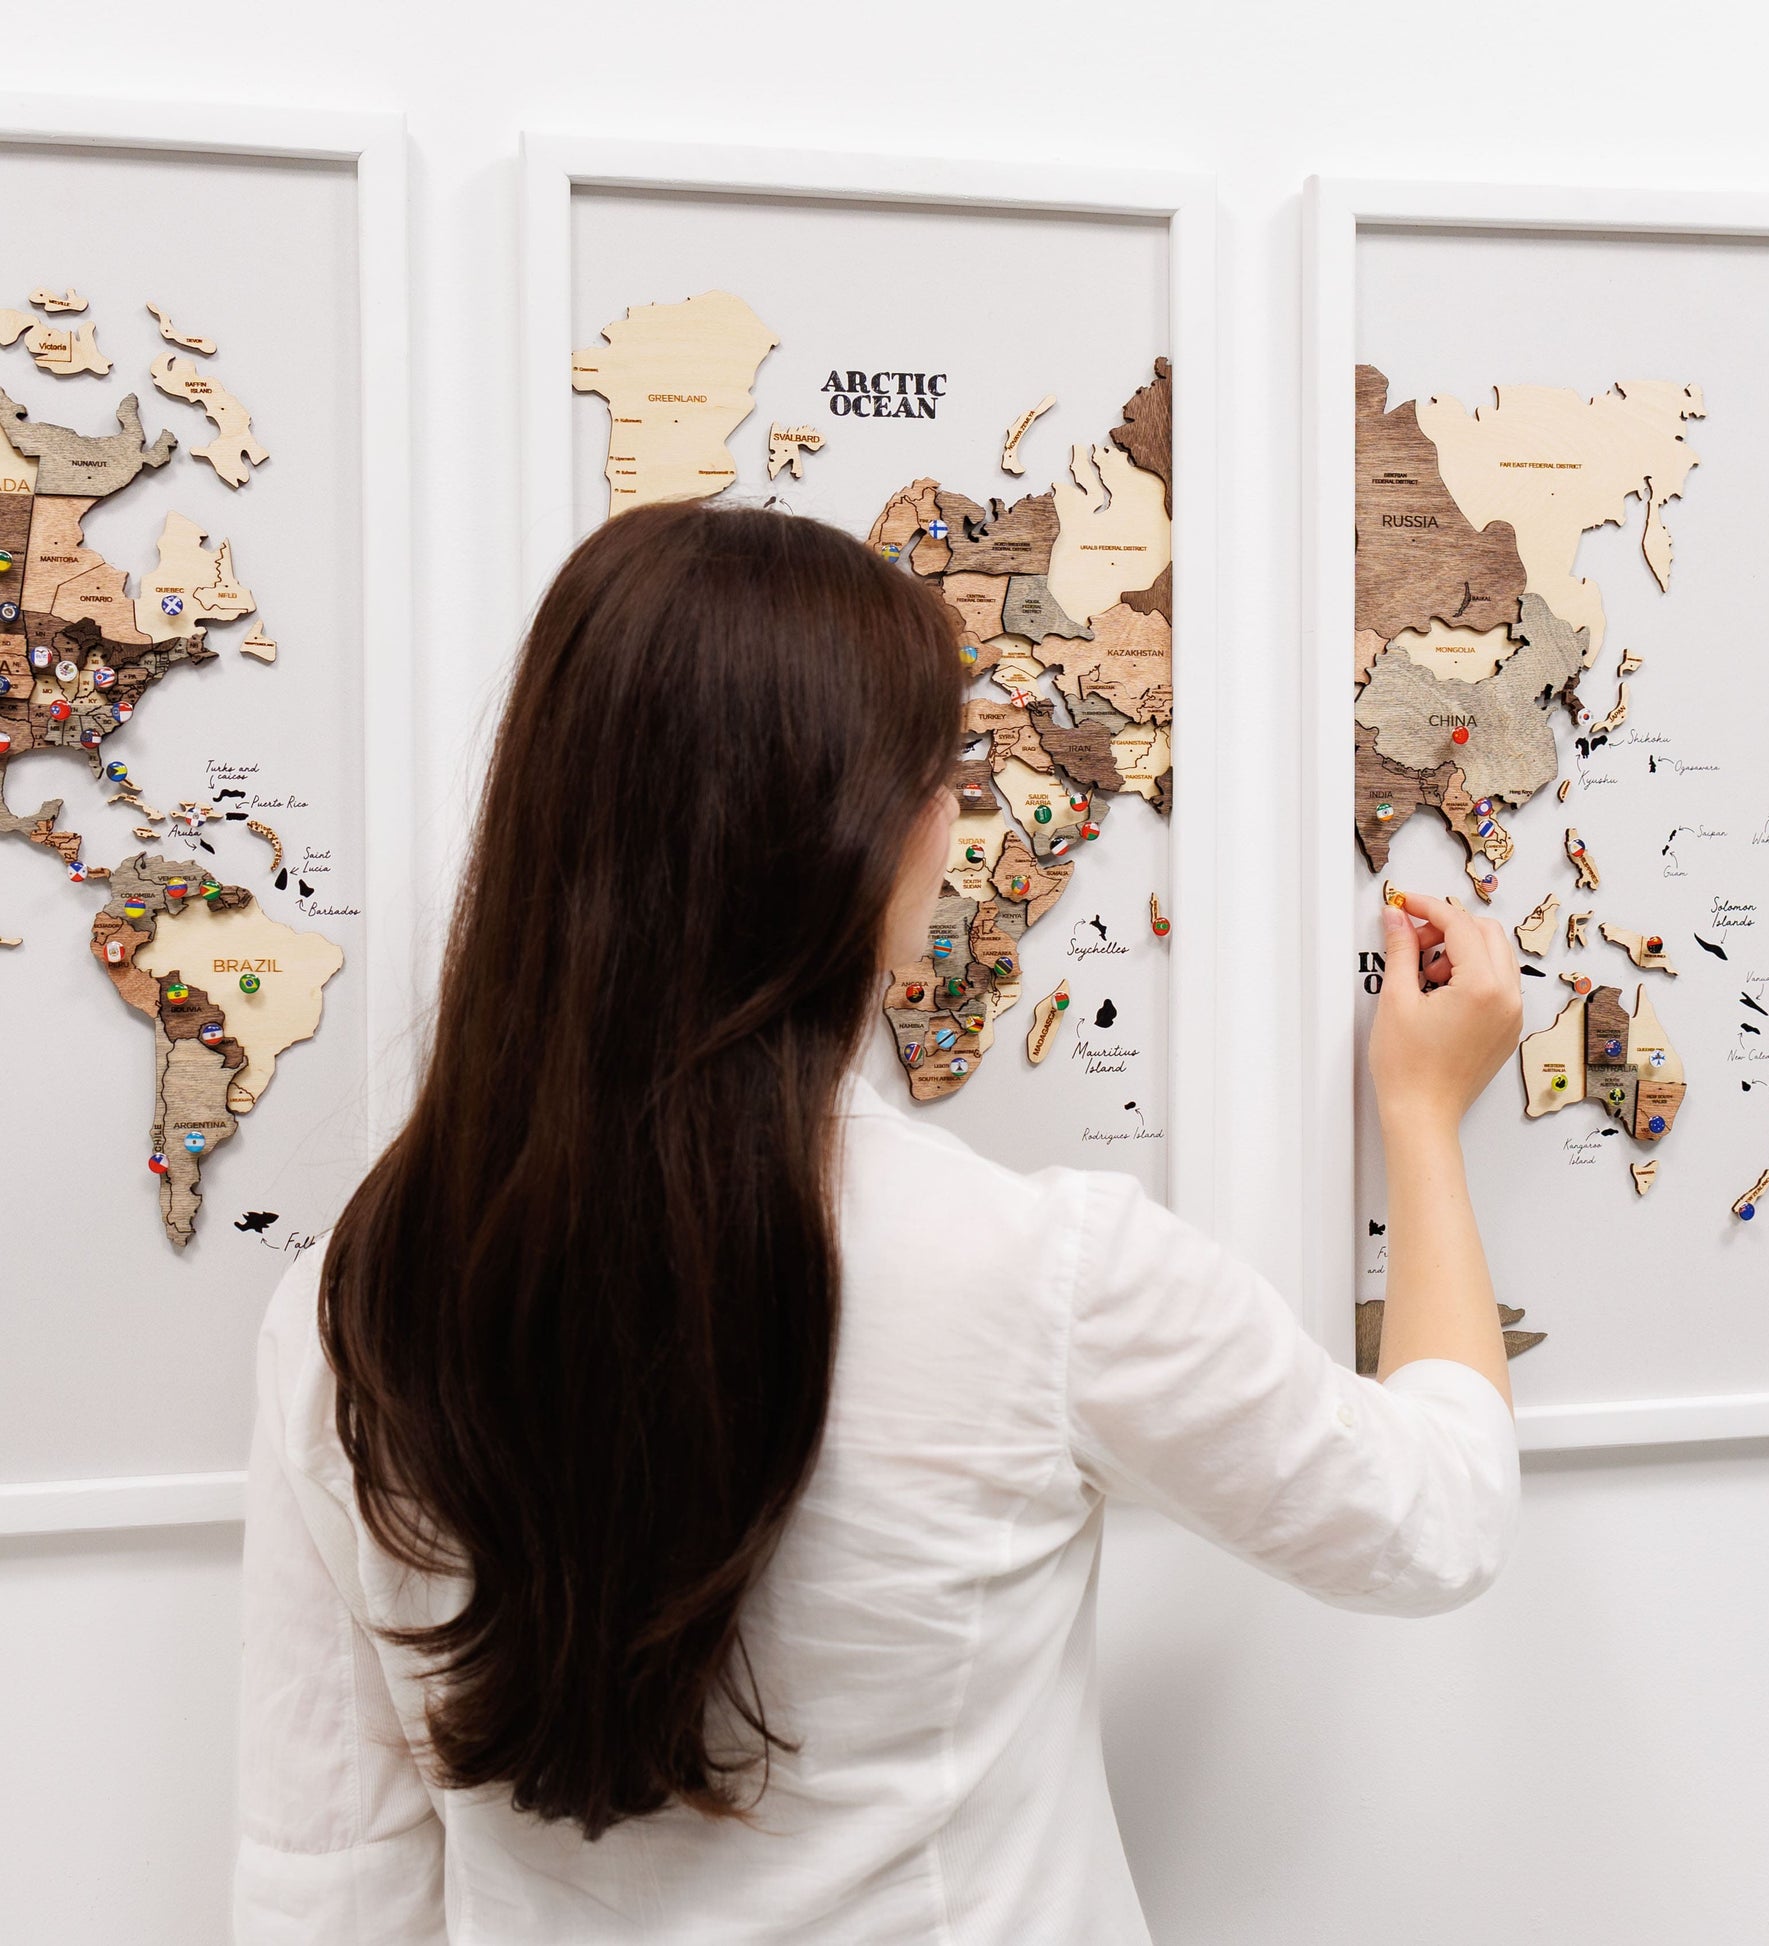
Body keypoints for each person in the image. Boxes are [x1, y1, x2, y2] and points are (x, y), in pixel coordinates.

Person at [233, 501, 1525, 1944]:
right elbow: (1432, 1518)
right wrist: (1418, 1117)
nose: (957, 814)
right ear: (863, 836)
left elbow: (328, 1879)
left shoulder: (350, 1309)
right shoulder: (1041, 1274)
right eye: (945, 773)